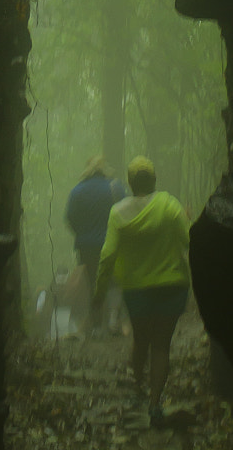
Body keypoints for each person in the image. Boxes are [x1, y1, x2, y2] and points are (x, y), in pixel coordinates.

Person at [93, 156, 191, 428]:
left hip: (137, 291)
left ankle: (138, 389)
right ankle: (155, 404)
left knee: (140, 339)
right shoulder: (169, 205)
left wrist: (99, 291)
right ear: (154, 180)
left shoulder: (118, 213)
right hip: (172, 286)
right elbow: (187, 240)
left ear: (130, 182)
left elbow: (107, 255)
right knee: (161, 346)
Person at [63, 156, 124, 335]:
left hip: (87, 246)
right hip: (112, 243)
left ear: (87, 169)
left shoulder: (77, 191)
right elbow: (126, 210)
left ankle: (97, 327)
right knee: (114, 281)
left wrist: (82, 234)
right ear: (104, 169)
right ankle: (113, 320)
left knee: (93, 285)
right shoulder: (115, 187)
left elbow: (70, 219)